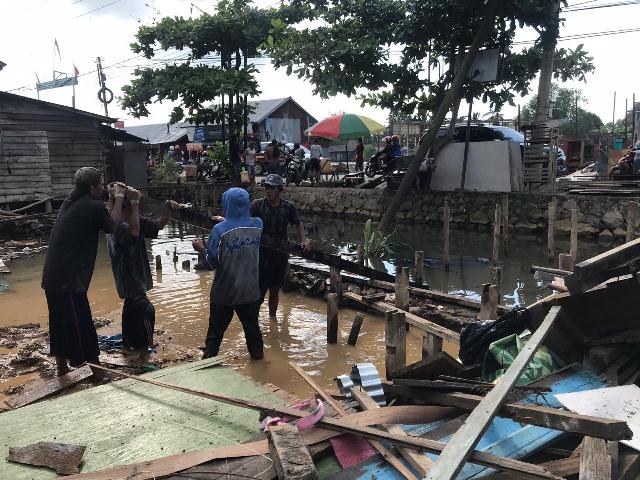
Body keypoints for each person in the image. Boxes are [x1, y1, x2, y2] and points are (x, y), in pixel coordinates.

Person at [41, 167, 125, 378]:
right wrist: (120, 198)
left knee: (59, 323)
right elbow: (112, 226)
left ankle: (62, 367)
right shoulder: (91, 206)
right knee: (82, 324)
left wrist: (111, 199)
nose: (103, 187)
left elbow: (102, 214)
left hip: (53, 277)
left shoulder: (71, 202)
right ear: (91, 188)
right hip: (68, 280)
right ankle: (97, 371)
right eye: (101, 185)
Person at [193, 188, 264, 359]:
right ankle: (259, 363)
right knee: (252, 331)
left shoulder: (219, 230)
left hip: (225, 293)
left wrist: (201, 248)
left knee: (215, 334)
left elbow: (210, 264)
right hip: (250, 291)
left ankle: (208, 364)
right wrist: (227, 220)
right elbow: (242, 226)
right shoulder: (258, 225)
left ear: (227, 204)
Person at [106, 187, 170, 354]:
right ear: (126, 207)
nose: (139, 209)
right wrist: (134, 202)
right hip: (131, 284)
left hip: (134, 291)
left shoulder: (132, 219)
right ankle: (142, 354)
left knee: (131, 333)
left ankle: (131, 351)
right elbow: (134, 231)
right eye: (135, 206)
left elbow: (158, 226)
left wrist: (169, 210)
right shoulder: (116, 225)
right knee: (145, 316)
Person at [250, 174, 308, 321]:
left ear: (280, 190)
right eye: (266, 187)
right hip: (261, 255)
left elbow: (298, 224)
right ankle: (253, 321)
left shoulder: (288, 207)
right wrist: (227, 220)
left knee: (275, 290)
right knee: (259, 291)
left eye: (272, 188)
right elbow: (243, 219)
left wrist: (303, 240)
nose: (268, 191)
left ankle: (272, 320)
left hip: (279, 256)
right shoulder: (257, 205)